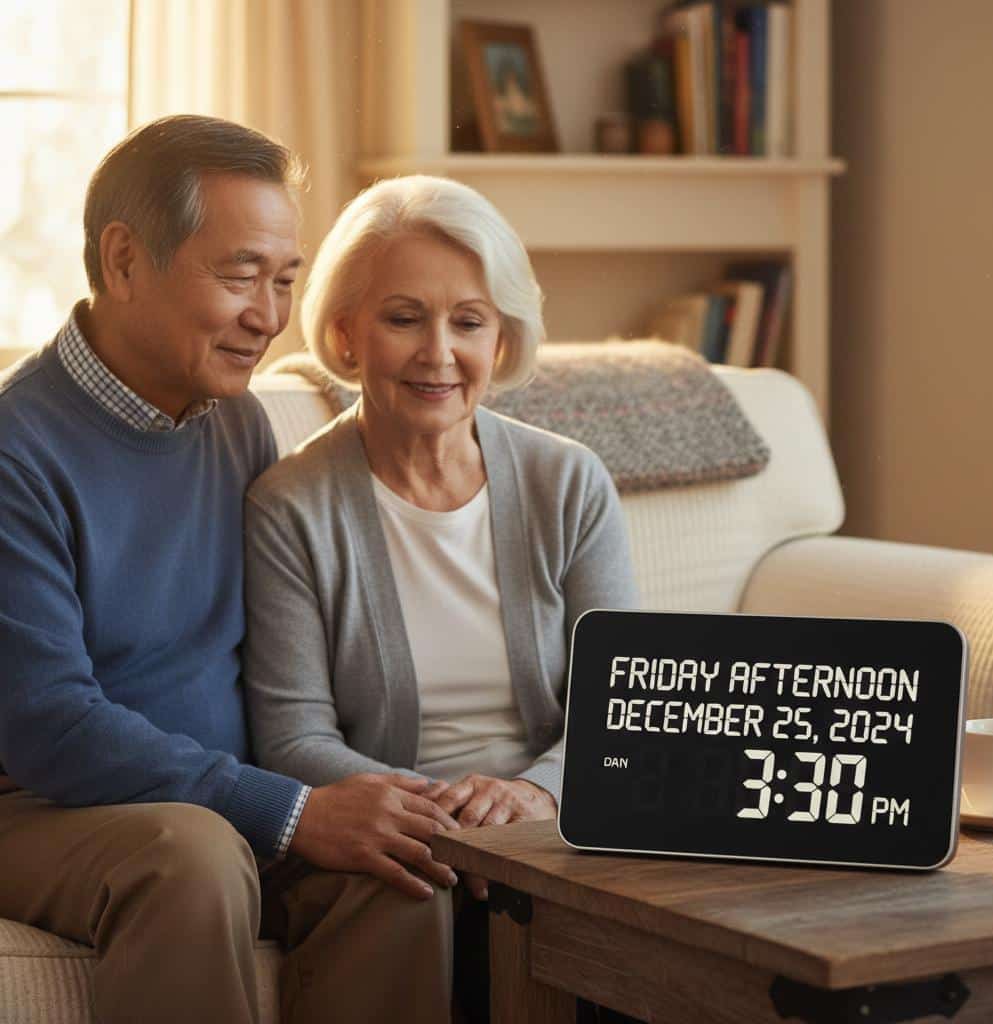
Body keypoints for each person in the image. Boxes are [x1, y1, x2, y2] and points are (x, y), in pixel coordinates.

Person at [0, 116, 460, 1024]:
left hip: (215, 793)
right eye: (241, 273)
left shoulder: (237, 420)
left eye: (285, 279)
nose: (268, 316)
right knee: (195, 856)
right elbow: (48, 725)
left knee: (401, 875)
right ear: (125, 261)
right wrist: (288, 812)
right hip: (40, 804)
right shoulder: (17, 452)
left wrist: (349, 792)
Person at [243, 174, 640, 1018]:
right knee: (413, 890)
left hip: (551, 821)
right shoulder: (290, 506)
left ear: (501, 340)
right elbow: (292, 733)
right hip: (387, 833)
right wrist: (437, 816)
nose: (438, 353)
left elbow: (625, 704)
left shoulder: (569, 483)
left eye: (468, 322)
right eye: (403, 317)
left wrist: (538, 793)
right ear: (346, 333)